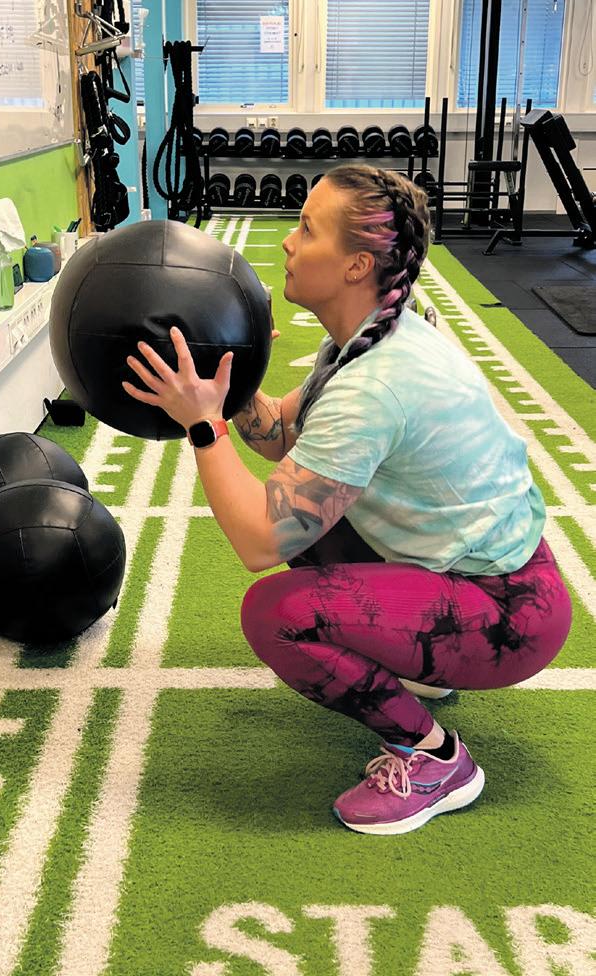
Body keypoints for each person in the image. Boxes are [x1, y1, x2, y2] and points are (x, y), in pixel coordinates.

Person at [121, 164, 572, 836]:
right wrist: (233, 385)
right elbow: (282, 437)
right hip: (470, 572)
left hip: (510, 618)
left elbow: (260, 540)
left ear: (357, 265)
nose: (288, 242)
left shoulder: (374, 386)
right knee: (315, 527)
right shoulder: (365, 340)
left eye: (307, 229)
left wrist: (204, 425)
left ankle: (434, 759)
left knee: (276, 613)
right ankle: (421, 661)